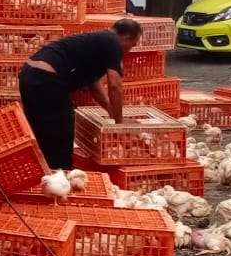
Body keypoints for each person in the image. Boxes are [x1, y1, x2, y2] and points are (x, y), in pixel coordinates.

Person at [17, 19, 143, 169]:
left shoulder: (99, 42)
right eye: (133, 44)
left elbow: (94, 85)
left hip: (30, 76)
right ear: (126, 37)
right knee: (61, 132)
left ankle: (44, 174)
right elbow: (115, 86)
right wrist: (119, 124)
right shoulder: (113, 43)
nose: (129, 50)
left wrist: (111, 112)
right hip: (46, 79)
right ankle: (62, 174)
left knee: (42, 131)